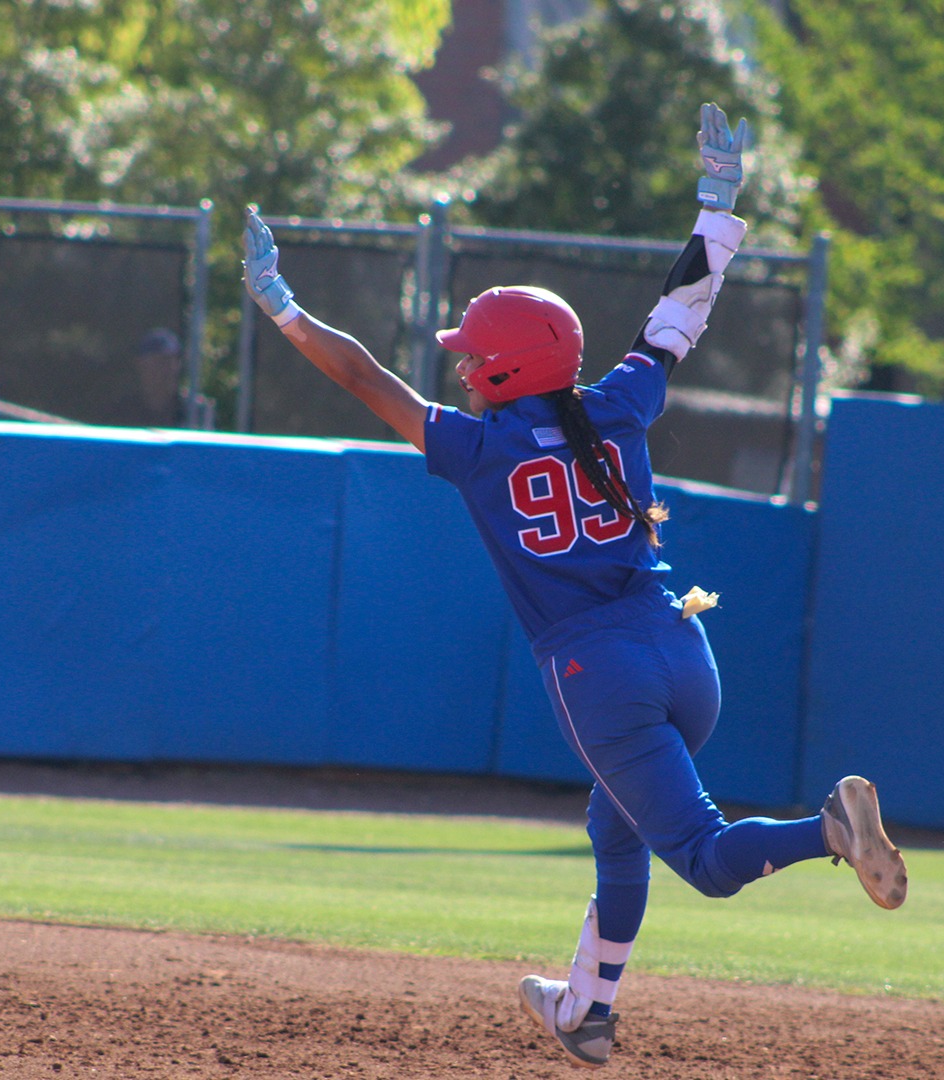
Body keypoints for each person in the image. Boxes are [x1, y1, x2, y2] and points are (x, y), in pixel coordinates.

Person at [242, 104, 908, 1070]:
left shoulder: (478, 448)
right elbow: (679, 313)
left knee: (705, 860)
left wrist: (281, 305)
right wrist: (717, 204)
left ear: (508, 367)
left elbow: (364, 376)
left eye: (474, 355)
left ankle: (826, 830)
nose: (463, 367)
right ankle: (585, 1009)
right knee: (616, 822)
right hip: (682, 648)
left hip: (598, 670)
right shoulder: (617, 404)